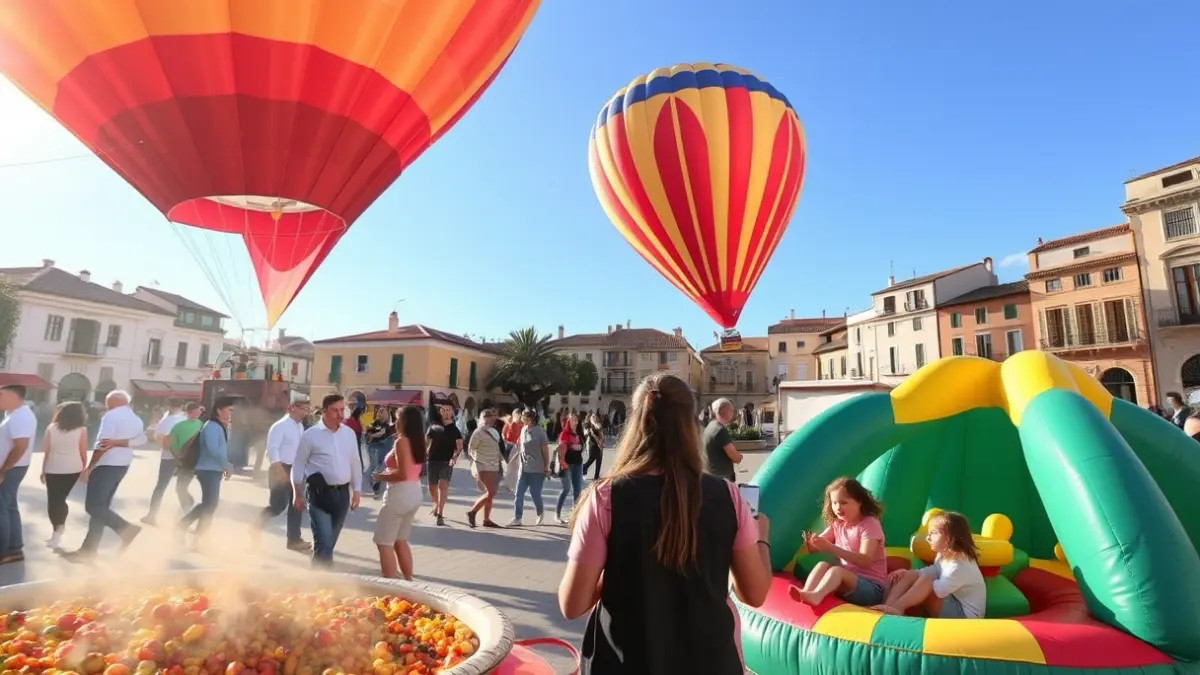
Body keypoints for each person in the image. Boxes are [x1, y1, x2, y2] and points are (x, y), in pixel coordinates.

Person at [558, 373, 773, 674]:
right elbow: (755, 593)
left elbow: (572, 604)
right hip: (710, 662)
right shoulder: (728, 497)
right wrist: (761, 537)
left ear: (635, 421)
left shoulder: (605, 497)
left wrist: (622, 569)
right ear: (691, 424)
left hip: (624, 663)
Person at [61, 390, 146, 563]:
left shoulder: (111, 416)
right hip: (122, 465)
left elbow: (103, 444)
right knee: (101, 508)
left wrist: (90, 467)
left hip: (106, 465)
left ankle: (126, 529)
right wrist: (121, 443)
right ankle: (88, 551)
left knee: (94, 507)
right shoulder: (136, 418)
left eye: (107, 402)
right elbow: (142, 440)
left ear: (111, 403)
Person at [790, 477, 887, 606]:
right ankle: (806, 593)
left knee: (837, 571)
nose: (837, 507)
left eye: (843, 503)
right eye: (834, 503)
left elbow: (865, 559)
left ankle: (816, 596)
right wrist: (811, 543)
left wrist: (830, 547)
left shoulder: (869, 524)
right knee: (822, 565)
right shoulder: (839, 524)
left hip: (872, 589)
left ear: (859, 502)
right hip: (848, 583)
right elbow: (817, 547)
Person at [292, 394, 362, 566]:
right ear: (324, 411)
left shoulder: (349, 434)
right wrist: (297, 493)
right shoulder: (311, 435)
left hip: (342, 496)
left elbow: (355, 462)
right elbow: (298, 465)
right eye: (335, 410)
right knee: (324, 544)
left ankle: (316, 582)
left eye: (342, 410)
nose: (340, 414)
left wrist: (357, 490)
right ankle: (322, 586)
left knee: (328, 545)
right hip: (318, 496)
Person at [874, 511, 986, 618]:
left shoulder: (959, 566)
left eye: (933, 533)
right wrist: (909, 574)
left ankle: (898, 608)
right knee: (908, 575)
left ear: (949, 538)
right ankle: (888, 607)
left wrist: (921, 581)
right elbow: (934, 570)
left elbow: (940, 591)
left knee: (928, 580)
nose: (928, 538)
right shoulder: (943, 555)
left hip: (965, 616)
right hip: (951, 601)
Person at [373, 406, 426, 579]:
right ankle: (409, 582)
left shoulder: (401, 441)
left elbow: (402, 473)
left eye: (397, 418)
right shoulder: (418, 440)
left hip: (399, 494)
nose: (395, 422)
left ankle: (392, 587)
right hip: (414, 491)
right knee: (400, 540)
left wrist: (380, 477)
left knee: (384, 542)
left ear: (405, 422)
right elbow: (410, 471)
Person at [254, 399, 312, 551]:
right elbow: (273, 449)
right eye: (303, 409)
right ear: (292, 408)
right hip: (280, 468)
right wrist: (279, 471)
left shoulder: (300, 426)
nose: (305, 413)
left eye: (307, 409)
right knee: (277, 506)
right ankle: (256, 524)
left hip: (296, 469)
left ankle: (294, 540)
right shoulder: (280, 426)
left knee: (297, 504)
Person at [177, 397, 234, 548]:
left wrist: (225, 465)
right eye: (228, 410)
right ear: (218, 410)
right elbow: (213, 449)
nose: (230, 413)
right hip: (207, 470)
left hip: (214, 470)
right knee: (210, 504)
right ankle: (185, 526)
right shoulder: (211, 426)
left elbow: (221, 449)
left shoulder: (221, 426)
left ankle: (197, 537)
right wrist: (226, 464)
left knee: (209, 505)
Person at [40, 401, 88, 549]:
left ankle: (57, 530)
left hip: (53, 468)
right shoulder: (82, 430)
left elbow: (46, 452)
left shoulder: (51, 428)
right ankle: (59, 529)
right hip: (73, 469)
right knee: (60, 500)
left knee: (54, 501)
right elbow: (83, 452)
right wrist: (84, 469)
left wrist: (43, 470)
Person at [0, 385, 35, 564]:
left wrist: (3, 470)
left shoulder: (20, 416)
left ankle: (3, 551)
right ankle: (14, 549)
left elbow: (21, 446)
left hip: (11, 469)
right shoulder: (14, 414)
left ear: (15, 396)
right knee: (10, 507)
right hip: (14, 467)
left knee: (2, 509)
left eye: (1, 394)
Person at [142, 400, 188, 526]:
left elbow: (158, 438)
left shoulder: (165, 421)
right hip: (186, 457)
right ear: (182, 406)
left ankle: (152, 515)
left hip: (168, 457)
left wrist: (165, 447)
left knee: (161, 486)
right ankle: (188, 515)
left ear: (169, 406)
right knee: (183, 487)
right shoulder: (186, 420)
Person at [508, 409, 551, 527]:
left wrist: (546, 466)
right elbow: (521, 444)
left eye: (524, 417)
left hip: (537, 469)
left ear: (530, 419)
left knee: (535, 493)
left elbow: (545, 451)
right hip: (524, 468)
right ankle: (517, 518)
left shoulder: (540, 432)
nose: (522, 419)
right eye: (522, 417)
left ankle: (540, 512)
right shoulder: (523, 430)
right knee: (519, 493)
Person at [465, 408, 503, 529]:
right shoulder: (478, 432)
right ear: (484, 418)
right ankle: (472, 512)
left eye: (493, 416)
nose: (493, 418)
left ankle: (486, 519)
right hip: (482, 465)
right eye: (490, 416)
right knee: (492, 492)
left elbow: (497, 448)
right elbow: (471, 449)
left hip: (494, 465)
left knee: (489, 493)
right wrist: (476, 462)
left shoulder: (494, 431)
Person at [425, 405, 462, 527]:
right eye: (444, 410)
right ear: (440, 412)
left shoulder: (455, 429)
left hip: (446, 461)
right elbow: (427, 443)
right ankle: (436, 503)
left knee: (443, 486)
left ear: (452, 412)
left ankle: (440, 513)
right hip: (432, 460)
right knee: (431, 487)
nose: (446, 413)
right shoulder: (434, 427)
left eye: (448, 410)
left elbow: (459, 446)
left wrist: (454, 457)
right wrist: (423, 452)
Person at [703, 399, 742, 482]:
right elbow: (735, 457)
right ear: (724, 411)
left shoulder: (710, 427)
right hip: (722, 479)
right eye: (731, 410)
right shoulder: (720, 430)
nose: (732, 413)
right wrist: (739, 456)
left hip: (710, 476)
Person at [555, 413, 584, 524]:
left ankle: (574, 515)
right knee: (566, 489)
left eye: (576, 420)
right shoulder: (564, 434)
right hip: (566, 465)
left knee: (577, 490)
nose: (575, 422)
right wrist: (563, 464)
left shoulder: (579, 434)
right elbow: (561, 453)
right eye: (572, 420)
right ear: (568, 421)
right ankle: (557, 515)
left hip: (578, 464)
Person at [364, 409, 396, 499]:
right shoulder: (374, 423)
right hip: (374, 447)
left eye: (384, 411)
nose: (382, 413)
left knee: (381, 466)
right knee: (374, 466)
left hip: (385, 448)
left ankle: (376, 485)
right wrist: (376, 434)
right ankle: (371, 485)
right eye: (380, 411)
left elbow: (391, 436)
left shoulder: (389, 425)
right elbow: (368, 435)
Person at [581, 412, 605, 480]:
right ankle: (583, 468)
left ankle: (596, 476)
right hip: (593, 445)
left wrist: (602, 441)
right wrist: (589, 432)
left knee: (599, 461)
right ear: (591, 418)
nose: (595, 418)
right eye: (593, 417)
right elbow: (586, 434)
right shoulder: (590, 425)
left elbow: (602, 434)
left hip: (599, 445)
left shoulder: (599, 425)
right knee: (591, 460)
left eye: (595, 417)